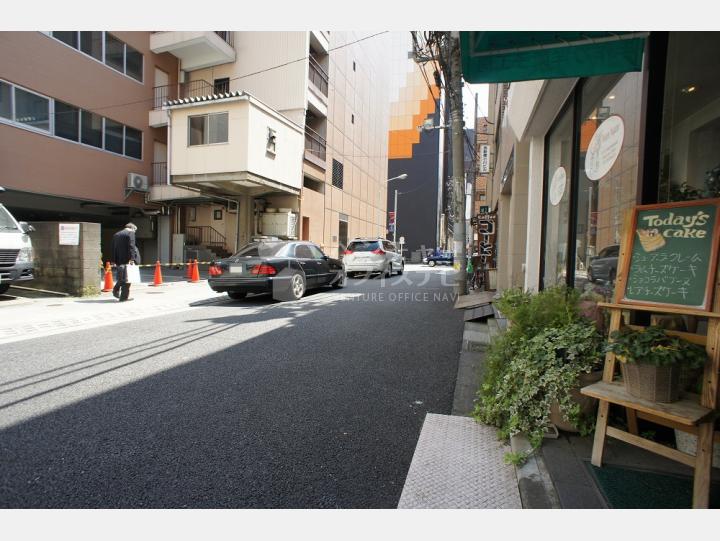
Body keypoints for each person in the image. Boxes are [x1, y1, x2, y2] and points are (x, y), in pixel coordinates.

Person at [111, 223, 140, 302]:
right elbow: (131, 246)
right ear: (132, 228)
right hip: (127, 260)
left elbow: (113, 248)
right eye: (135, 230)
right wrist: (132, 258)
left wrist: (113, 260)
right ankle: (123, 297)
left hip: (118, 261)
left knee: (121, 278)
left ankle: (116, 290)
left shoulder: (116, 234)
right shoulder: (130, 233)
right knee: (127, 279)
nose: (135, 232)